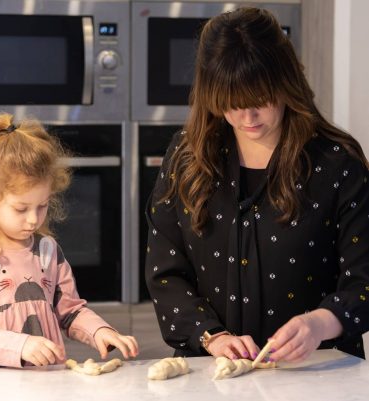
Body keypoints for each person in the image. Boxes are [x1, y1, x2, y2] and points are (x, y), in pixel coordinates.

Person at [145, 7, 369, 363]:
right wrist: (211, 336)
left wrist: (321, 323)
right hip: (210, 372)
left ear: (286, 83)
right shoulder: (187, 157)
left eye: (260, 101)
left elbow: (363, 281)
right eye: (232, 105)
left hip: (318, 372)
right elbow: (166, 273)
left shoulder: (337, 164)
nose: (247, 118)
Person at [0, 113, 138, 369]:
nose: (33, 219)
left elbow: (69, 311)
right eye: (21, 208)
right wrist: (20, 345)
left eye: (43, 205)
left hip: (47, 383)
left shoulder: (47, 251)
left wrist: (99, 331)